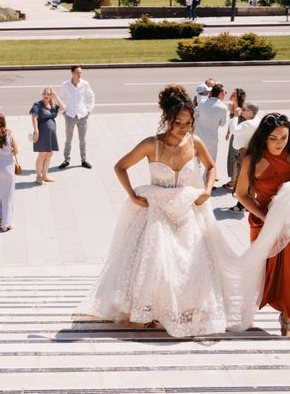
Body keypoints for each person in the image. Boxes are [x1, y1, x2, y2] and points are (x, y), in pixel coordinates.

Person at [78, 85, 231, 337]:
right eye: (179, 122)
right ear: (168, 120)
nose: (184, 128)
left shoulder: (195, 142)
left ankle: (183, 308)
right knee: (156, 262)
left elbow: (212, 167)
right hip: (157, 208)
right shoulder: (152, 144)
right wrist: (133, 196)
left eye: (189, 122)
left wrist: (206, 189)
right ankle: (151, 311)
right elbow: (120, 166)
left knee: (189, 263)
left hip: (186, 208)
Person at [235, 113, 290, 336]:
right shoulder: (253, 160)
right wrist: (265, 216)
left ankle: (287, 315)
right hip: (265, 222)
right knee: (260, 270)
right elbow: (241, 194)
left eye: (284, 137)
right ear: (264, 138)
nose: (280, 143)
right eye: (274, 138)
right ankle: (247, 313)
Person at [58, 65, 95, 170]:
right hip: (69, 115)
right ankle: (66, 160)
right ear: (72, 73)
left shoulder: (85, 84)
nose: (80, 74)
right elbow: (59, 98)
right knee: (68, 139)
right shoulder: (65, 85)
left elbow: (91, 96)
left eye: (81, 72)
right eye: (78, 72)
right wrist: (63, 111)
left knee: (82, 139)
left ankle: (83, 160)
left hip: (82, 115)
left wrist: (89, 110)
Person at [226, 102, 260, 212]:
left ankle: (242, 205)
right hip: (253, 152)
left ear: (250, 112)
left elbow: (234, 130)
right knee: (249, 178)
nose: (242, 111)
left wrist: (235, 116)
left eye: (244, 109)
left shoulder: (248, 124)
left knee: (243, 178)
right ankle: (246, 203)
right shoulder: (257, 120)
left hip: (245, 153)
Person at [30, 88, 66, 184]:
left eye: (48, 94)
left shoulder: (53, 105)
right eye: (44, 94)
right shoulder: (38, 105)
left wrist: (56, 96)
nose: (46, 96)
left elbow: (63, 107)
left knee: (49, 154)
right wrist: (36, 131)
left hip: (51, 134)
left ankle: (45, 175)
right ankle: (38, 176)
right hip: (41, 132)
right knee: (42, 154)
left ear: (51, 96)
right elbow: (34, 118)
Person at [194, 83, 228, 165]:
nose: (225, 94)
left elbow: (195, 115)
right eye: (225, 93)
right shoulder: (223, 107)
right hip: (211, 138)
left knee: (195, 160)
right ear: (220, 94)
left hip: (198, 135)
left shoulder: (202, 102)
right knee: (210, 162)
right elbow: (222, 123)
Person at [224, 88, 246, 189]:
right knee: (231, 157)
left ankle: (234, 181)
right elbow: (231, 121)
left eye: (233, 94)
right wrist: (228, 132)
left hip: (240, 136)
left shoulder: (242, 108)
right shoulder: (231, 106)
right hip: (234, 135)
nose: (231, 94)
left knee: (236, 158)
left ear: (237, 96)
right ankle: (233, 179)